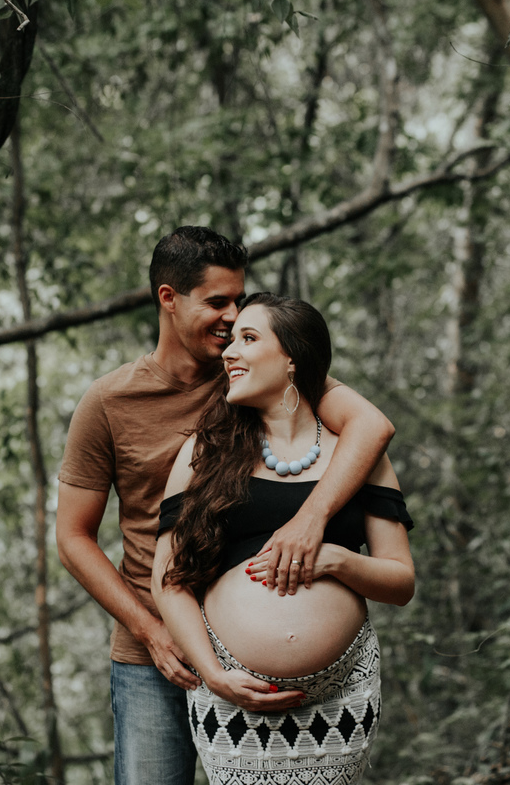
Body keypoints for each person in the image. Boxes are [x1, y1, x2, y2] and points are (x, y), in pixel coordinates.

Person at [56, 227, 395, 785]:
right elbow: (72, 537)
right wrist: (150, 630)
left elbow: (370, 426)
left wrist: (310, 522)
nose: (231, 316)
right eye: (217, 302)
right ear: (169, 298)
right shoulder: (109, 401)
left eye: (238, 300)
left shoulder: (257, 369)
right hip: (155, 652)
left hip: (260, 657)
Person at [151, 292, 415, 785]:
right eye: (231, 340)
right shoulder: (204, 452)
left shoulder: (358, 456)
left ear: (292, 358)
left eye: (248, 338)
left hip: (339, 696)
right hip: (231, 693)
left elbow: (401, 582)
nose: (229, 352)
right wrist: (214, 676)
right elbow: (168, 581)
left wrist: (335, 561)